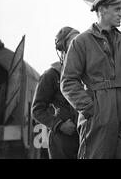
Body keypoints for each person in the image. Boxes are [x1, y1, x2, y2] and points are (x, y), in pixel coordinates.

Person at [61, 0, 121, 159]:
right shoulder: (80, 42)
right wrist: (90, 109)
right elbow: (68, 82)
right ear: (102, 10)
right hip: (99, 111)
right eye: (117, 9)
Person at [32, 26, 80, 159]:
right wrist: (59, 125)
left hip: (85, 139)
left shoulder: (86, 74)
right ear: (62, 47)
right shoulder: (52, 75)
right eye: (73, 41)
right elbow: (37, 110)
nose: (78, 45)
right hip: (62, 141)